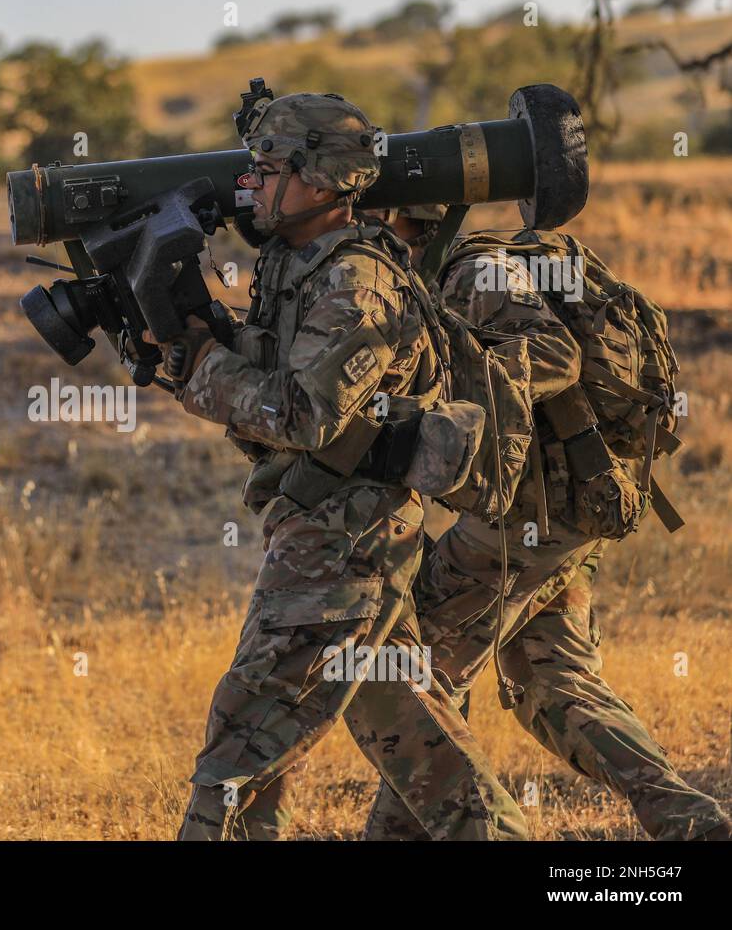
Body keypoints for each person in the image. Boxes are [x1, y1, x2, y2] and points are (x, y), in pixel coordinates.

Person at [148, 92, 528, 840]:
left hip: (346, 542)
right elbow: (272, 379)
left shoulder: (356, 282)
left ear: (321, 181)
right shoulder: (298, 262)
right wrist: (185, 338)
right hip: (331, 531)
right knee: (419, 744)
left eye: (267, 169)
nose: (248, 183)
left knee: (239, 745)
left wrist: (202, 370)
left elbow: (301, 415)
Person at [358, 208, 732, 840]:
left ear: (405, 221)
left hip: (531, 520)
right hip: (565, 514)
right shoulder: (468, 268)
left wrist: (448, 408)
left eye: (370, 219)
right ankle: (690, 823)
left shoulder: (472, 272)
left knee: (411, 675)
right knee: (552, 682)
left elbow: (552, 356)